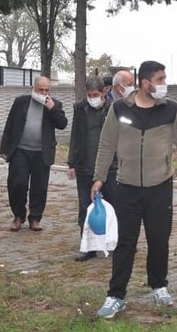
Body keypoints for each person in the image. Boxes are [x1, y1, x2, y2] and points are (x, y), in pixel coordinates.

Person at [92, 60, 177, 319]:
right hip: (126, 187)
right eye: (160, 79)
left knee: (159, 239)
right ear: (146, 83)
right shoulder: (119, 109)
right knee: (125, 243)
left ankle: (159, 286)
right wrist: (99, 177)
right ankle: (116, 295)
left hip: (159, 187)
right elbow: (106, 145)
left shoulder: (170, 109)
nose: (164, 84)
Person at [0, 76, 68, 231]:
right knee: (17, 184)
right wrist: (5, 148)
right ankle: (18, 216)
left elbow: (62, 124)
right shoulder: (21, 102)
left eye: (47, 90)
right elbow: (10, 124)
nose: (43, 93)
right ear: (33, 88)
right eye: (40, 90)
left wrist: (53, 109)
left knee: (39, 187)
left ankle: (35, 218)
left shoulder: (54, 104)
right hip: (20, 151)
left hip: (42, 152)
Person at [67, 76, 117, 261]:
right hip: (85, 166)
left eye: (95, 94)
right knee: (85, 207)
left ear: (104, 92)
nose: (92, 98)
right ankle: (87, 246)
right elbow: (74, 136)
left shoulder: (115, 108)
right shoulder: (80, 108)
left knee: (113, 205)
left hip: (111, 167)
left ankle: (115, 243)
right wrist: (72, 163)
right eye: (89, 95)